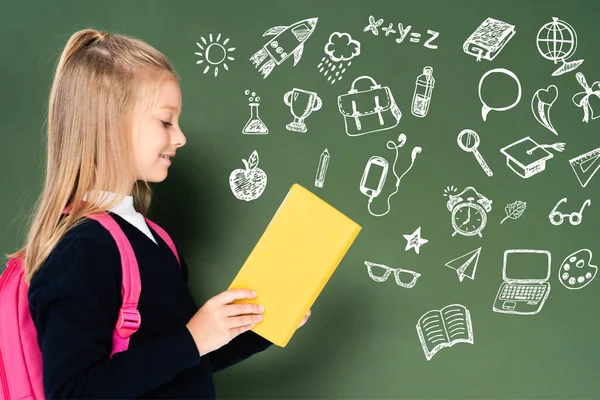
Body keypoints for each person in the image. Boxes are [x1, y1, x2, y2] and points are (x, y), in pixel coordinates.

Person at [5, 28, 311, 399]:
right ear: (111, 124)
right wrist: (192, 339)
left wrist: (262, 327)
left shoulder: (154, 238)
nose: (179, 137)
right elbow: (73, 391)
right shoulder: (80, 248)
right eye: (166, 121)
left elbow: (182, 362)